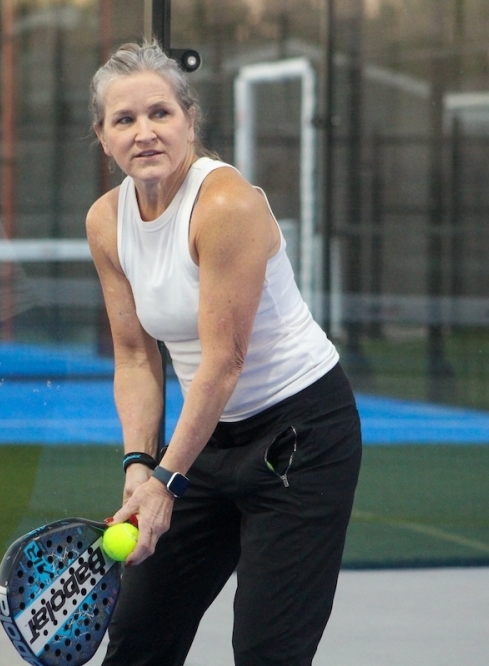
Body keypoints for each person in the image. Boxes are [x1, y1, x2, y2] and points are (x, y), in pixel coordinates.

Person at [85, 40, 363, 666]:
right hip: (208, 436)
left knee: (267, 652)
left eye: (160, 113)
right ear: (103, 138)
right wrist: (139, 467)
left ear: (189, 120)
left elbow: (223, 361)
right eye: (124, 119)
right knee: (138, 637)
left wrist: (165, 481)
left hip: (302, 436)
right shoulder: (106, 222)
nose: (144, 132)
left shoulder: (226, 204)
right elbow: (134, 358)